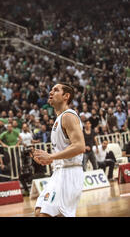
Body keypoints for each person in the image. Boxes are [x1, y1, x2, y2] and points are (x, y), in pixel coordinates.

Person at [33, 84, 85, 217]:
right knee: (39, 212)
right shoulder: (59, 118)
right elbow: (64, 150)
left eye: (56, 90)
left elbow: (79, 146)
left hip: (70, 173)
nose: (51, 92)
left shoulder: (68, 116)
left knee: (45, 215)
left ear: (66, 96)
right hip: (59, 172)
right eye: (51, 90)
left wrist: (51, 156)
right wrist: (49, 160)